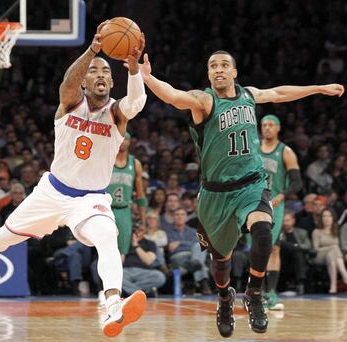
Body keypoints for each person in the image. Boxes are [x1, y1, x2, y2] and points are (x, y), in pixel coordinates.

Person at [0, 21, 147, 338]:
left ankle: (112, 306)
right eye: (94, 71)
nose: (102, 75)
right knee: (3, 237)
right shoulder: (70, 104)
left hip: (89, 200)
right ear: (85, 80)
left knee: (107, 236)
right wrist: (93, 50)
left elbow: (136, 103)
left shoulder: (118, 113)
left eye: (106, 70)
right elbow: (66, 86)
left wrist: (132, 70)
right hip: (51, 193)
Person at [138, 49, 344, 337]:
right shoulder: (204, 101)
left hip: (251, 184)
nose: (219, 69)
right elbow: (173, 96)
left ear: (234, 72)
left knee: (262, 230)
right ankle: (224, 298)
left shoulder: (248, 94)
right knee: (220, 263)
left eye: (224, 65)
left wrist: (318, 88)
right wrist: (146, 77)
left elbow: (280, 93)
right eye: (213, 66)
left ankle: (255, 292)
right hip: (215, 194)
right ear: (209, 74)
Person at [259, 114, 302, 310]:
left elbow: (296, 182)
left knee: (273, 248)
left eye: (271, 125)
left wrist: (282, 195)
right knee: (258, 249)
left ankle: (271, 293)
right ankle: (256, 291)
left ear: (278, 128)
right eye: (264, 125)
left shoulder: (286, 152)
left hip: (275, 205)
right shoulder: (253, 149)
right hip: (253, 203)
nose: (267, 128)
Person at [108, 132, 147, 257]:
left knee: (121, 253)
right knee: (105, 251)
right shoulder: (106, 160)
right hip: (106, 209)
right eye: (119, 139)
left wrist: (143, 221)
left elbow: (140, 196)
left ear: (130, 142)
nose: (122, 142)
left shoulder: (135, 164)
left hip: (124, 210)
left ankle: (119, 277)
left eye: (125, 139)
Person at [311, 208, 347, 294]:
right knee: (334, 248)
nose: (327, 218)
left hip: (333, 257)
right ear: (321, 218)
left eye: (329, 216)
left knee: (332, 257)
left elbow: (342, 246)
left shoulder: (336, 231)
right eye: (324, 216)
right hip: (319, 256)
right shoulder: (316, 231)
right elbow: (315, 249)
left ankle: (333, 286)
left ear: (333, 218)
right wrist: (331, 247)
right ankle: (345, 276)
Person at [279, 209, 312, 295]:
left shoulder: (302, 232)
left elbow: (308, 246)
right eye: (283, 221)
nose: (285, 223)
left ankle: (300, 284)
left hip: (299, 261)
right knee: (283, 245)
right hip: (282, 260)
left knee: (297, 253)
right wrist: (295, 246)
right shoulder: (278, 233)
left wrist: (294, 247)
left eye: (287, 220)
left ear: (293, 221)